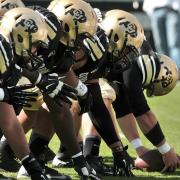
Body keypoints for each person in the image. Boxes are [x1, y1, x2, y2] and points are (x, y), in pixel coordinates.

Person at [0, 7, 54, 180]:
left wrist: (33, 168)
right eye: (36, 44)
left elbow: (10, 123)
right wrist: (3, 94)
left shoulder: (10, 59)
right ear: (20, 37)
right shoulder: (2, 49)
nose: (36, 51)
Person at [143, 0, 180, 77]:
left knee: (174, 44)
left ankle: (177, 72)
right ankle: (165, 73)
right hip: (155, 11)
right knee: (160, 44)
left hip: (172, 10)